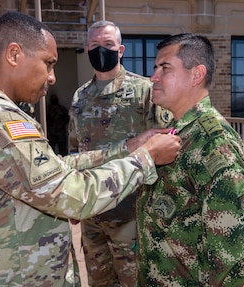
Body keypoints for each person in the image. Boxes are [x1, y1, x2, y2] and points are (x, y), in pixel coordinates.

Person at [0, 12, 180, 287]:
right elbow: (71, 194)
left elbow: (56, 165)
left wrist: (129, 147)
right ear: (14, 55)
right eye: (48, 63)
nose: (52, 77)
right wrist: (145, 158)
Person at [136, 34, 244, 286]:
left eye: (164, 68)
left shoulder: (212, 142)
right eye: (155, 68)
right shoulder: (175, 131)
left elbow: (235, 247)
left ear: (196, 74)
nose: (153, 77)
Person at [68, 20, 172, 287]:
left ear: (121, 49)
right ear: (86, 48)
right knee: (98, 279)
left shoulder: (143, 91)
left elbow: (165, 143)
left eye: (108, 45)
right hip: (91, 213)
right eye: (94, 45)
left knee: (134, 280)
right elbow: (74, 149)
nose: (100, 50)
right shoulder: (80, 96)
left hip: (132, 214)